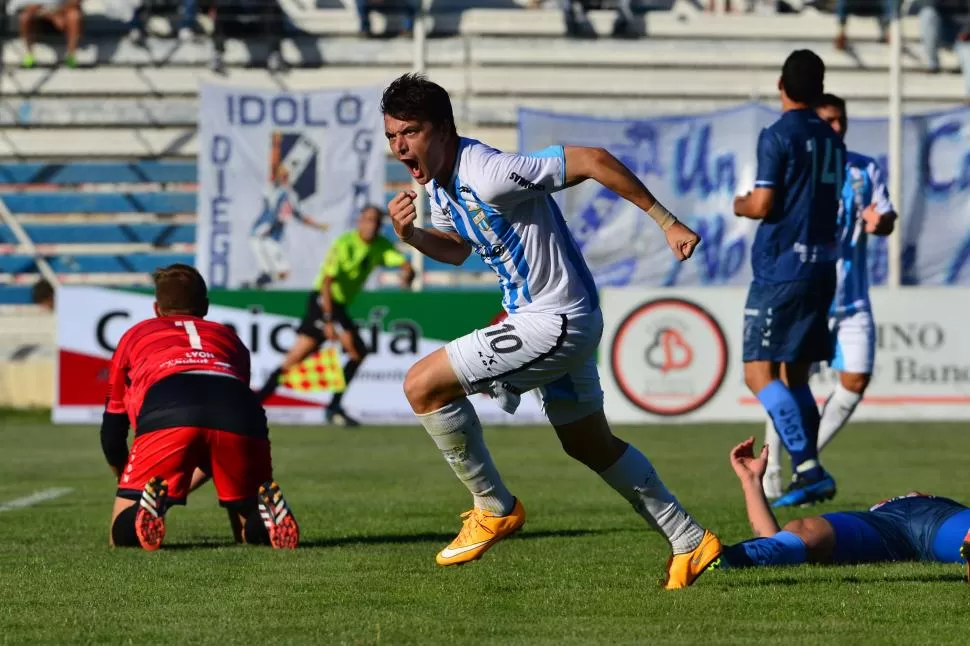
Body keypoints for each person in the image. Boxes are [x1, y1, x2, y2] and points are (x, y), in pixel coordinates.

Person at [382, 72, 721, 590]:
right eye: (391, 136)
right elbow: (456, 249)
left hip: (555, 319)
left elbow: (594, 160)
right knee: (590, 444)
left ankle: (493, 505)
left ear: (443, 129)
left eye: (409, 132)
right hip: (554, 319)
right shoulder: (441, 183)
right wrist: (411, 236)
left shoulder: (489, 171)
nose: (399, 146)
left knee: (421, 384)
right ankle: (690, 540)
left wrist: (666, 220)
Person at [100, 263, 299, 551]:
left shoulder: (135, 334)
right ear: (205, 306)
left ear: (157, 308)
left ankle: (143, 510)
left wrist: (125, 478)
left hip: (170, 400)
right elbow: (217, 417)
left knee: (120, 533)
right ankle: (265, 521)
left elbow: (112, 429)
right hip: (237, 406)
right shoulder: (229, 338)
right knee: (248, 511)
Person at [762, 94, 898, 499]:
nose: (837, 128)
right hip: (806, 291)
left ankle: (806, 458)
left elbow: (885, 217)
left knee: (855, 381)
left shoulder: (864, 167)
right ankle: (771, 465)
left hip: (852, 298)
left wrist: (882, 220)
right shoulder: (797, 165)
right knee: (789, 379)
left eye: (842, 120)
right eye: (829, 121)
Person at [733, 50, 845, 509]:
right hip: (822, 268)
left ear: (782, 85)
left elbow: (763, 205)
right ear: (819, 89)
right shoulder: (832, 138)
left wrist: (740, 203)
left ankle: (810, 467)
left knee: (758, 374)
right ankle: (806, 469)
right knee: (795, 376)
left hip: (782, 271)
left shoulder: (778, 135)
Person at [714, 437, 970, 578]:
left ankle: (716, 560)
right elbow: (776, 545)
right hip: (882, 525)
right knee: (805, 530)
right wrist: (751, 483)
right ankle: (719, 558)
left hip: (937, 517)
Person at [256, 205, 415, 427]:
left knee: (297, 358)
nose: (372, 225)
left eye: (376, 221)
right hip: (324, 302)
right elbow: (327, 283)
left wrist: (408, 272)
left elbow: (401, 262)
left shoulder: (380, 245)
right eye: (368, 219)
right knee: (355, 351)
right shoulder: (344, 244)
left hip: (337, 307)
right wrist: (329, 320)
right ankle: (332, 407)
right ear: (360, 221)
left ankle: (256, 403)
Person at [249, 160, 329, 289]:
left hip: (272, 234)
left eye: (285, 175)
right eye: (281, 174)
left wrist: (318, 226)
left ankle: (273, 279)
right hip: (263, 228)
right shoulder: (270, 190)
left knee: (276, 260)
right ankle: (266, 276)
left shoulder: (289, 195)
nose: (283, 178)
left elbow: (299, 216)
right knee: (256, 242)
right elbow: (269, 209)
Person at [16, 0, 81, 68]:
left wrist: (59, 11)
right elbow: (21, 6)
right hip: (38, 17)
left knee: (74, 15)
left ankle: (71, 56)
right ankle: (29, 55)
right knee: (24, 17)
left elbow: (75, 2)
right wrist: (51, 15)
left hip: (62, 14)